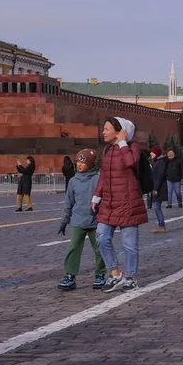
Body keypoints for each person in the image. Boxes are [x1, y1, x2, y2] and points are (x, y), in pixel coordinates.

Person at [94, 117, 148, 292]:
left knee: (129, 244)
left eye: (107, 129)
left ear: (119, 131)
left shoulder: (132, 147)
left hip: (127, 202)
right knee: (101, 237)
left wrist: (123, 142)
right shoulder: (107, 150)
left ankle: (131, 277)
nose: (103, 132)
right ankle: (116, 273)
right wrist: (96, 196)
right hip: (109, 202)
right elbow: (103, 175)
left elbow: (130, 162)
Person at [57, 149, 108, 290]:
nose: (79, 165)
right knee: (73, 248)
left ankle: (100, 274)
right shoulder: (73, 181)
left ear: (90, 164)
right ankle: (70, 275)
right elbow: (68, 202)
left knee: (99, 249)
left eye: (83, 162)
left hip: (95, 221)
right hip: (78, 221)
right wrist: (64, 220)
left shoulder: (97, 179)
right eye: (78, 162)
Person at [149, 146, 168, 234]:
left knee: (157, 208)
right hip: (156, 187)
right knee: (156, 207)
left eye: (152, 152)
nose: (150, 153)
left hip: (159, 188)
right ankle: (161, 225)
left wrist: (156, 189)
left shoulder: (160, 162)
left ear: (156, 153)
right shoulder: (157, 162)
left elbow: (159, 176)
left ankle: (161, 226)